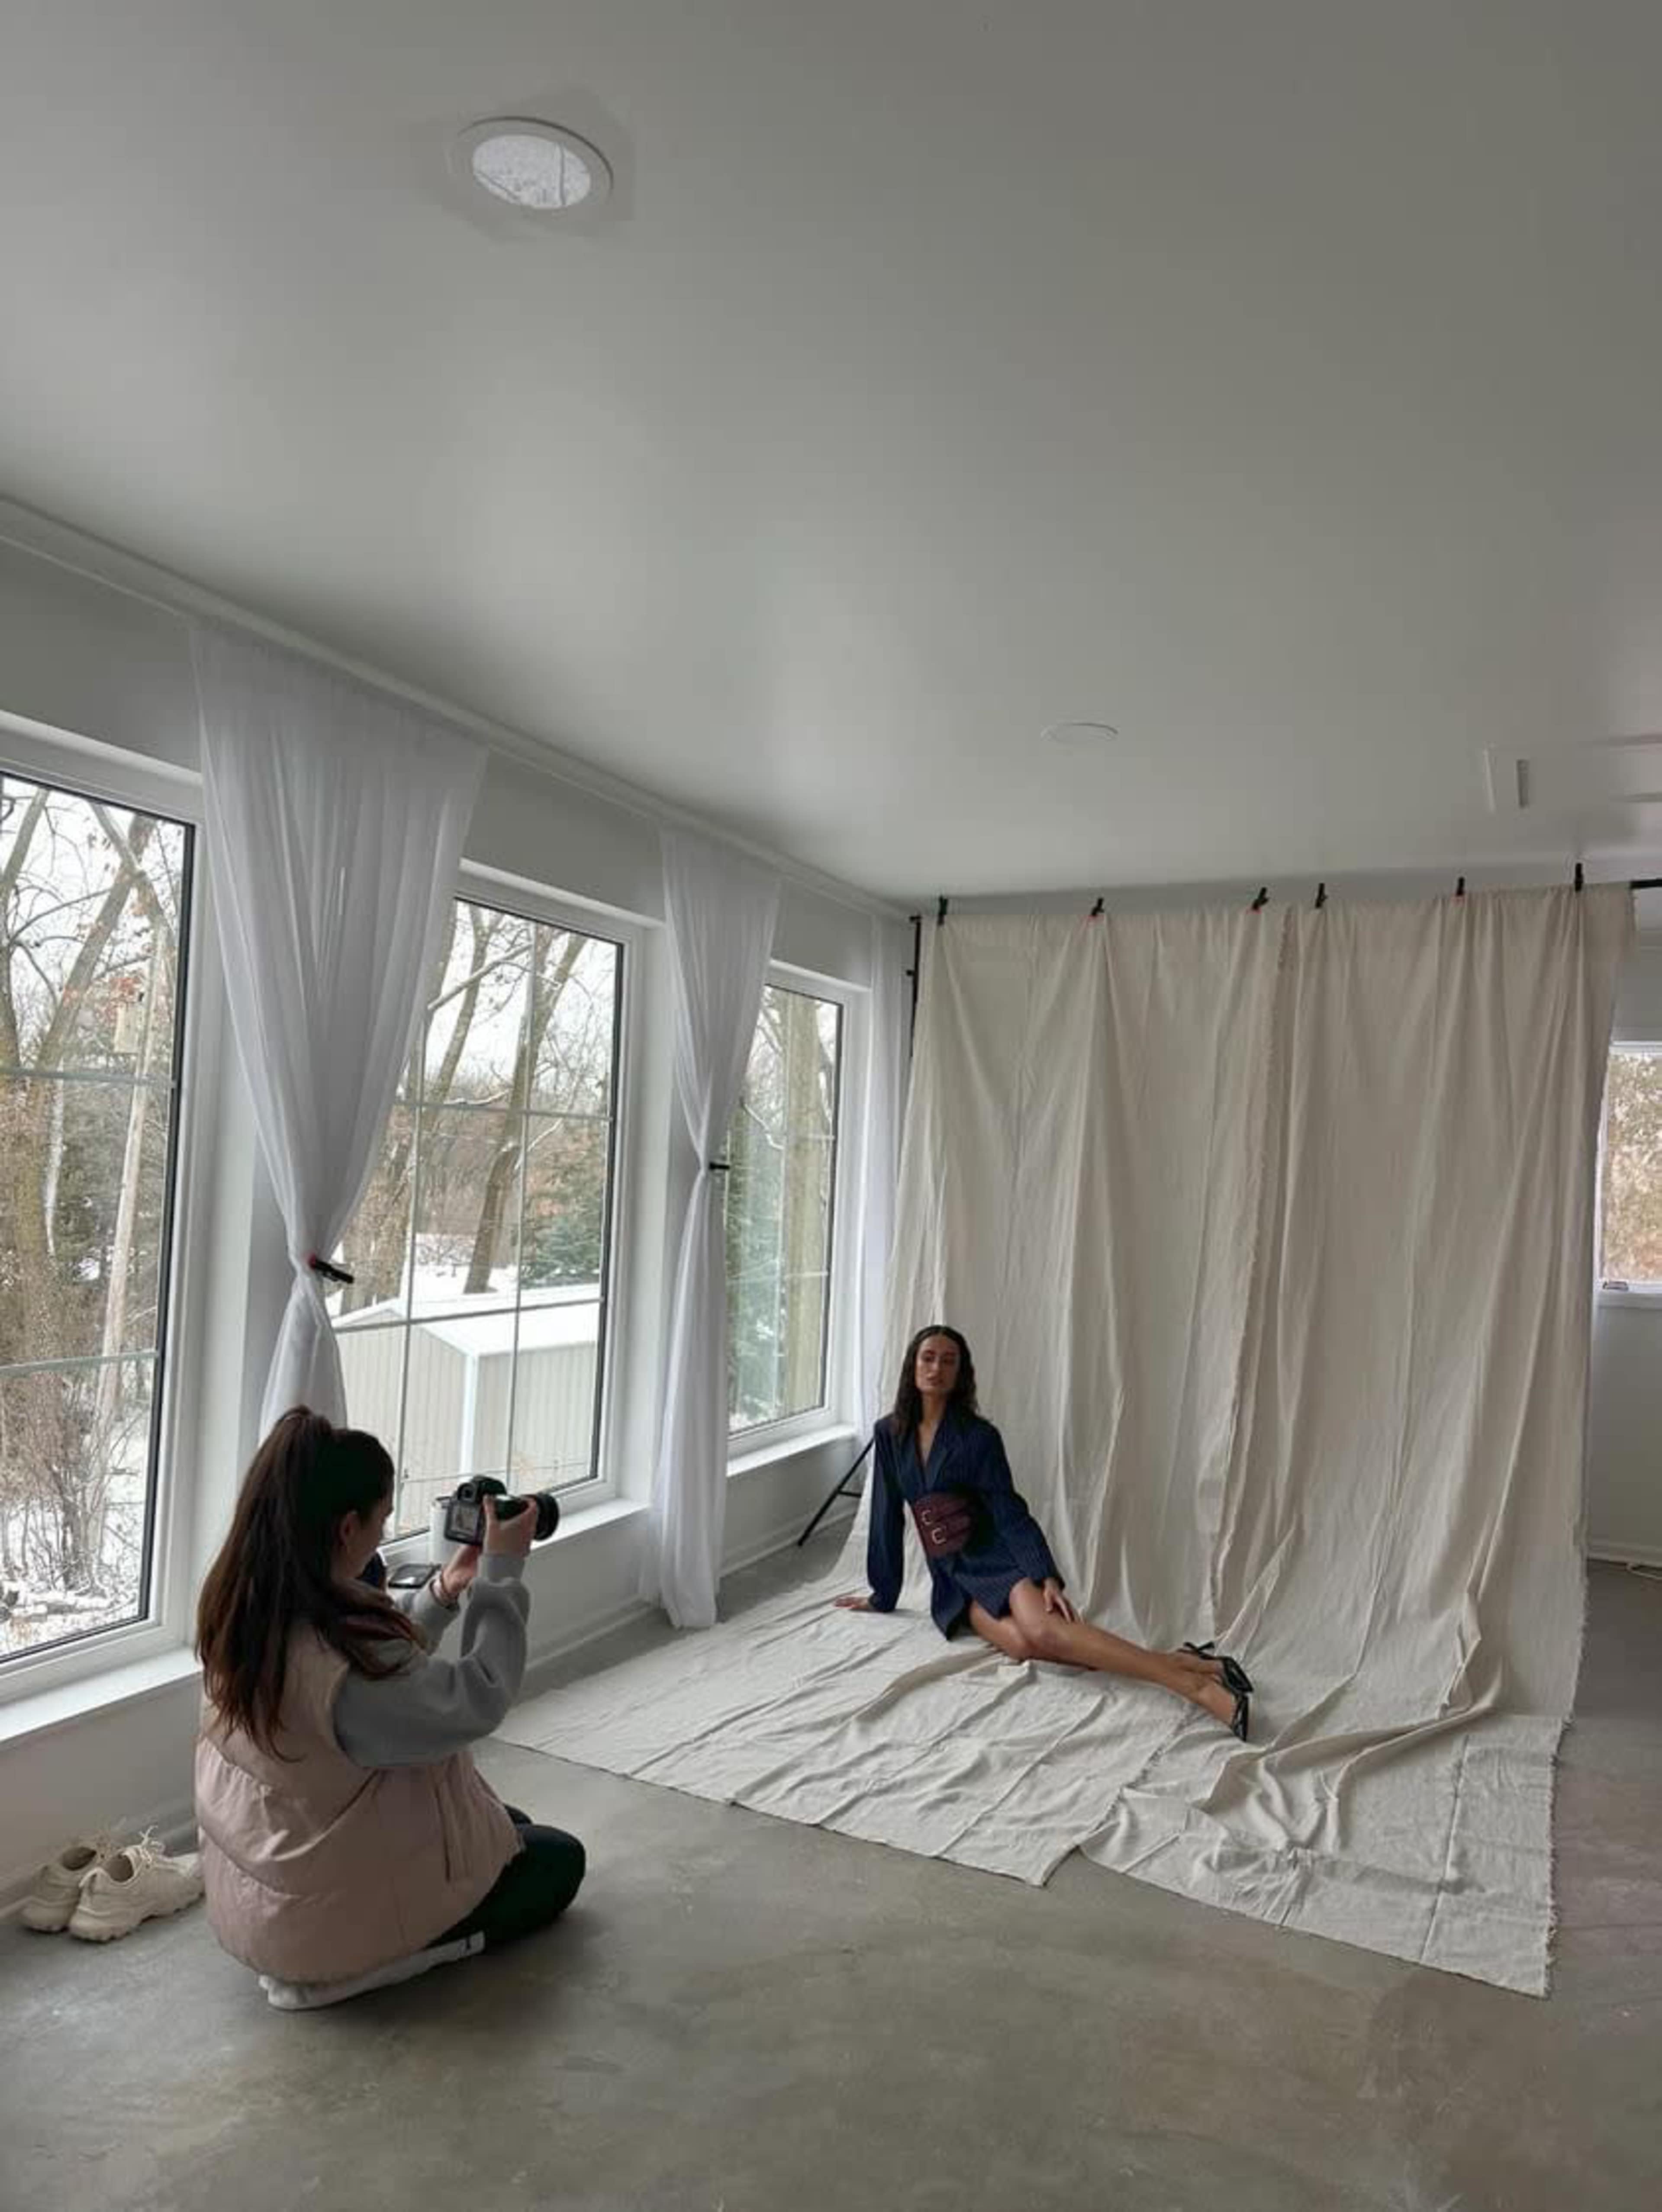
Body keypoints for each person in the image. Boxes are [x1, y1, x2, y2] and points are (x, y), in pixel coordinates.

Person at [194, 1408, 585, 2010]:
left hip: (270, 1885)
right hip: (316, 1931)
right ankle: (364, 1967)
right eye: (381, 1519)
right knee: (558, 1858)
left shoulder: (250, 1603)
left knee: (503, 1819)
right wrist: (502, 1574)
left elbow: (382, 1675)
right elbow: (480, 1695)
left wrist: (445, 1589)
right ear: (347, 1527)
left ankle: (330, 1948)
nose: (384, 1532)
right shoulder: (346, 1672)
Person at [835, 1326, 1252, 1737]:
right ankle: (1192, 1662)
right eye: (928, 1358)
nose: (937, 1368)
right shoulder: (889, 1433)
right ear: (913, 1365)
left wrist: (1045, 1575)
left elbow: (1009, 1512)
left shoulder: (980, 1437)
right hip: (952, 1579)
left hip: (997, 1557)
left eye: (949, 1361)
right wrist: (882, 1595)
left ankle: (1194, 1686)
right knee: (1022, 1645)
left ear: (961, 1372)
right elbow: (886, 1515)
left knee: (1045, 1631)